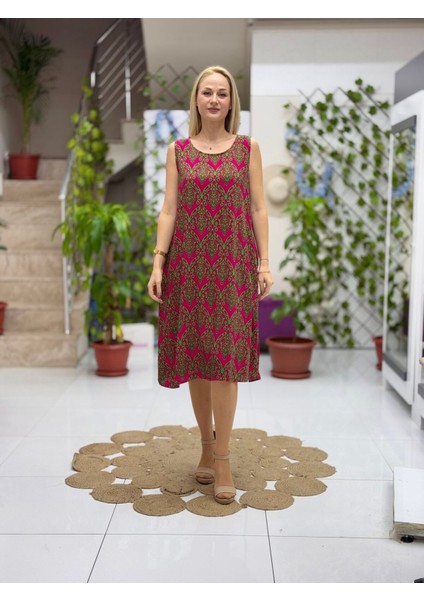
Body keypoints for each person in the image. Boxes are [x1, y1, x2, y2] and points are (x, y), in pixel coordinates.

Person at [147, 65, 273, 505]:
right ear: (197, 100)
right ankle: (205, 444)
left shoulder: (248, 148)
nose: (215, 99)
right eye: (207, 92)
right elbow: (169, 209)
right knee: (198, 360)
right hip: (189, 267)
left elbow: (258, 208)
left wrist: (264, 263)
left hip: (232, 267)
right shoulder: (178, 151)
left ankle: (222, 459)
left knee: (226, 364)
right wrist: (158, 263)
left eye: (222, 93)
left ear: (231, 100)